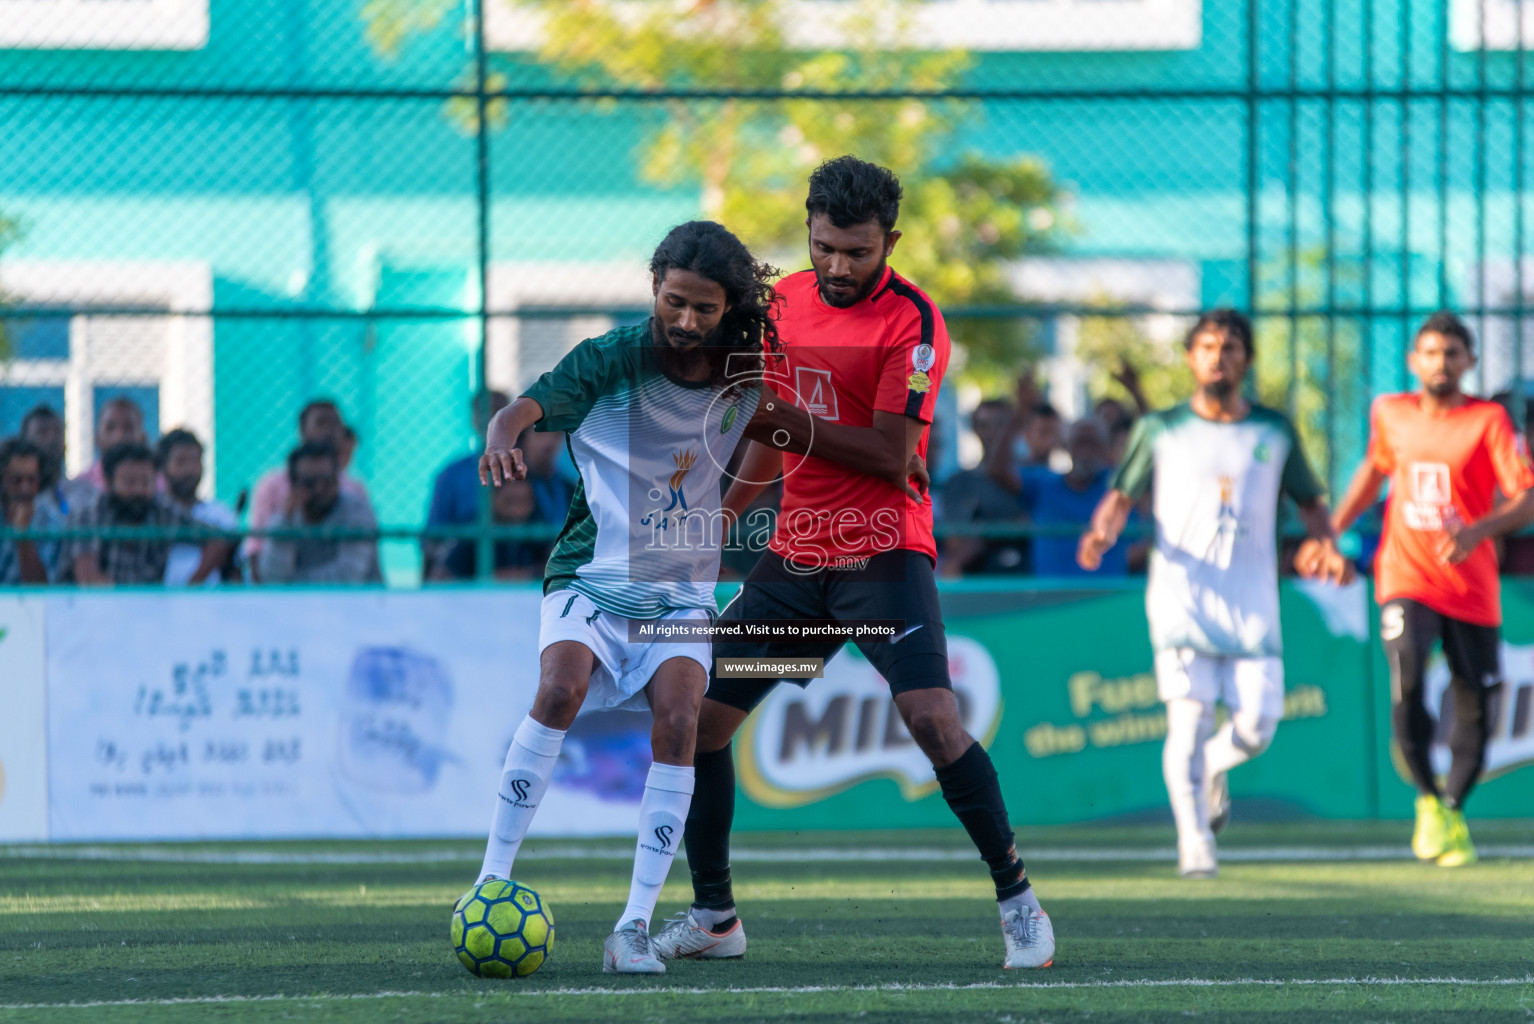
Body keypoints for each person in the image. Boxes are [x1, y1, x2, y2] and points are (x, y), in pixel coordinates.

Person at [471, 218, 925, 976]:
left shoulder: (747, 367)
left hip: (680, 588)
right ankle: (489, 880)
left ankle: (633, 929)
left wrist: (731, 505)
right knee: (559, 690)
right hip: (591, 575)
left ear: (728, 309)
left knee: (682, 721)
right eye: (675, 301)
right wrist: (501, 435)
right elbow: (526, 408)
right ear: (655, 287)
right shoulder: (612, 357)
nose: (685, 320)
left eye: (703, 309)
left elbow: (775, 431)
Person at [651, 158, 1055, 971]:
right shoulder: (782, 305)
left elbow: (891, 450)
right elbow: (773, 434)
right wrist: (719, 524)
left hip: (880, 558)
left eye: (857, 252)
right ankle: (715, 918)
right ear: (809, 228)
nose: (838, 266)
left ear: (890, 243)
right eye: (826, 246)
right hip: (795, 567)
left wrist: (782, 419)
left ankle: (1018, 899)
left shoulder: (915, 321)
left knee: (934, 719)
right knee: (698, 723)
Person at [1077, 309, 1352, 878]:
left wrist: (1328, 544)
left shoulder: (1274, 430)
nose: (1217, 356)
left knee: (1257, 728)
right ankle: (1194, 842)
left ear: (1246, 359)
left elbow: (1311, 501)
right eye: (1206, 346)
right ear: (1190, 357)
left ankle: (1211, 766)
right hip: (1181, 598)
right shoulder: (1162, 429)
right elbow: (1122, 496)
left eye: (1229, 347)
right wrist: (1102, 530)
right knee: (1188, 720)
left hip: (1253, 602)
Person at [1331, 312, 1534, 868]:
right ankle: (1425, 797)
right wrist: (1331, 532)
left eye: (1452, 353)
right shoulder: (1390, 413)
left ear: (1469, 361)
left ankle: (1451, 808)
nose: (1441, 362)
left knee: (1475, 707)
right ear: (1413, 361)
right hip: (1406, 576)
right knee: (1409, 680)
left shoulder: (1490, 420)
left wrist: (1477, 532)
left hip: (1471, 590)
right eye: (1431, 352)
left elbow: (1526, 498)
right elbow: (1373, 472)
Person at [59, 442, 221, 586]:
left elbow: (218, 539)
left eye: (146, 482)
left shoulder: (160, 510)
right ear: (108, 483)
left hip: (148, 611)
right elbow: (89, 582)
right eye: (129, 482)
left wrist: (191, 586)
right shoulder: (88, 514)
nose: (138, 490)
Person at [245, 400, 373, 570]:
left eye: (335, 424)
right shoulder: (271, 485)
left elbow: (357, 568)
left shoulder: (355, 490)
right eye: (321, 423)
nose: (329, 431)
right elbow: (257, 547)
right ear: (302, 430)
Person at [1013, 417, 1131, 578]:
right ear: (1067, 446)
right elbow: (998, 472)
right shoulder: (1041, 483)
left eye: (1094, 443)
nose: (1087, 450)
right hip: (1052, 597)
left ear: (1105, 448)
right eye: (1080, 442)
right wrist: (1018, 415)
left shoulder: (1120, 486)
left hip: (1110, 597)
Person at [257, 440, 381, 584]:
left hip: (357, 604)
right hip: (295, 605)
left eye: (327, 481)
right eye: (310, 483)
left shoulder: (357, 511)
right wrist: (286, 521)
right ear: (294, 485)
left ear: (337, 481)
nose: (319, 489)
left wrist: (290, 585)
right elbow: (272, 579)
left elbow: (348, 579)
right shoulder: (285, 519)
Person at [940, 397, 1030, 576]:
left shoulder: (1033, 477)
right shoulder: (959, 482)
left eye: (1001, 424)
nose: (992, 432)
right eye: (984, 424)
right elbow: (955, 542)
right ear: (975, 429)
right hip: (978, 584)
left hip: (1029, 581)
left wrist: (982, 531)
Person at [425, 390, 511, 571]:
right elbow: (433, 539)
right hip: (462, 570)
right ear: (473, 418)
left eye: (499, 412)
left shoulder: (528, 468)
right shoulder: (453, 474)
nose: (492, 420)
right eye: (484, 412)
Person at [157, 428, 239, 586]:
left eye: (195, 461)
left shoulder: (222, 515)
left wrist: (191, 589)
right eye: (180, 461)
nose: (189, 469)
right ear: (163, 465)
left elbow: (235, 572)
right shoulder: (153, 512)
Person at [432, 474, 549, 581]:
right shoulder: (474, 532)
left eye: (523, 502)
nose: (517, 511)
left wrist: (523, 575)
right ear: (493, 498)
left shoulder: (538, 532)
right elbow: (442, 577)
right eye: (510, 501)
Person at [0, 437, 61, 584]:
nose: (25, 488)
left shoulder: (50, 519)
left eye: (31, 479)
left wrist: (23, 534)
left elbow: (39, 585)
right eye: (17, 480)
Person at [20, 404, 96, 517]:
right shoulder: (15, 495)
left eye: (57, 432)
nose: (52, 439)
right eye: (42, 432)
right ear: (24, 442)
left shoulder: (86, 495)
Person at [74, 396, 149, 492]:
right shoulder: (80, 487)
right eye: (110, 428)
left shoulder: (160, 486)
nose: (119, 436)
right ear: (97, 438)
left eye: (128, 428)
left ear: (143, 438)